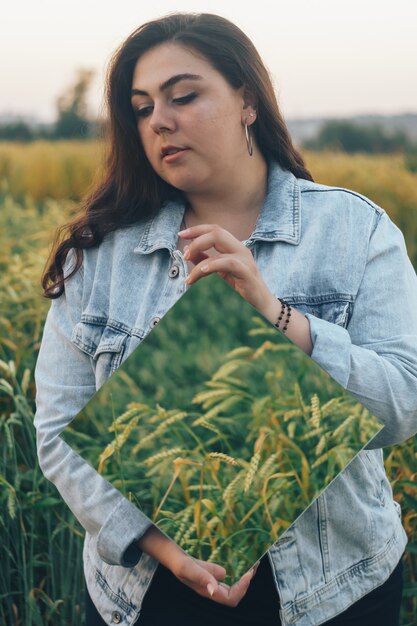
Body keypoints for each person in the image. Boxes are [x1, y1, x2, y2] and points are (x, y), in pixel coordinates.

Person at [33, 12, 417, 626]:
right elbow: (55, 433)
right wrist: (166, 548)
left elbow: (404, 408)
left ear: (247, 100)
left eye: (184, 96)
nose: (160, 119)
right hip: (145, 594)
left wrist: (275, 312)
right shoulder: (100, 254)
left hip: (335, 591)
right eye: (140, 107)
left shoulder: (355, 231)